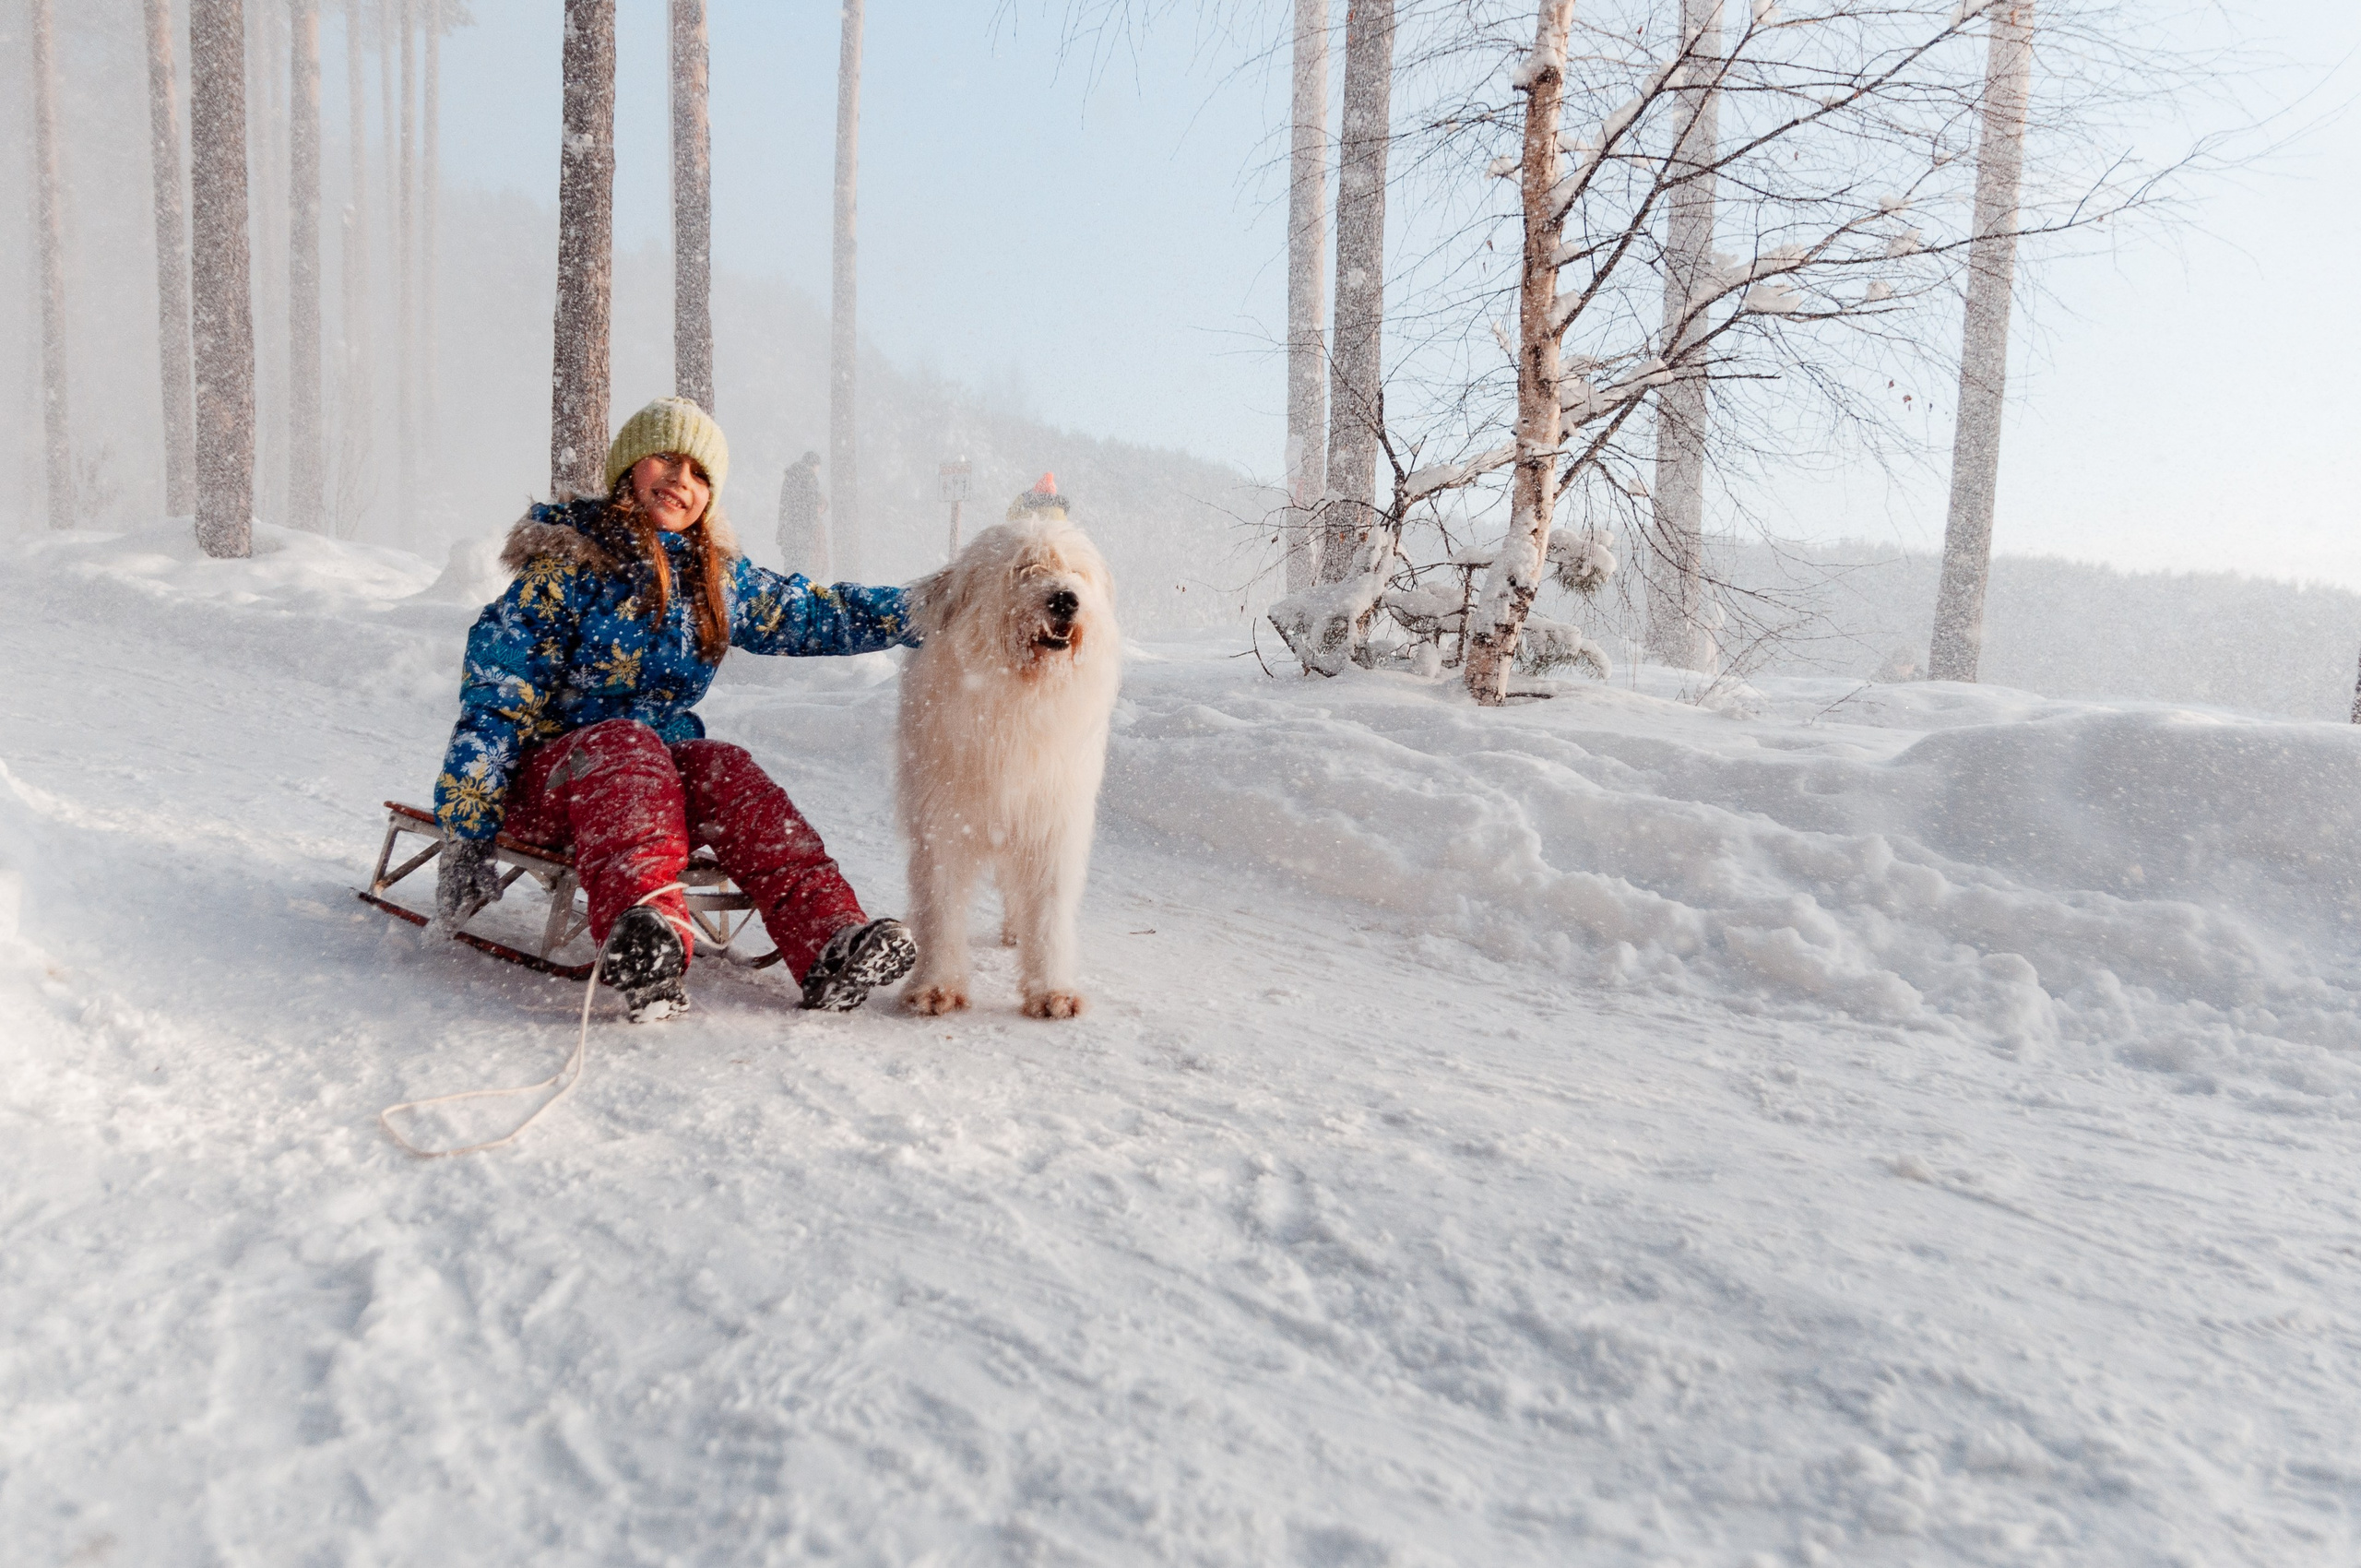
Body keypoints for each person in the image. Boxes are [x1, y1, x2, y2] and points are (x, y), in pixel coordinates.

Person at [429, 396, 919, 1020]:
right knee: (625, 744)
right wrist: (467, 829)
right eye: (664, 458)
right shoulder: (568, 566)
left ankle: (830, 940)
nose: (680, 481)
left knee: (724, 766)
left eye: (699, 473)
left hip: (648, 786)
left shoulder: (715, 580)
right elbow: (497, 693)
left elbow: (819, 612)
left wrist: (923, 609)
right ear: (626, 468)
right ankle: (647, 936)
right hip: (550, 785)